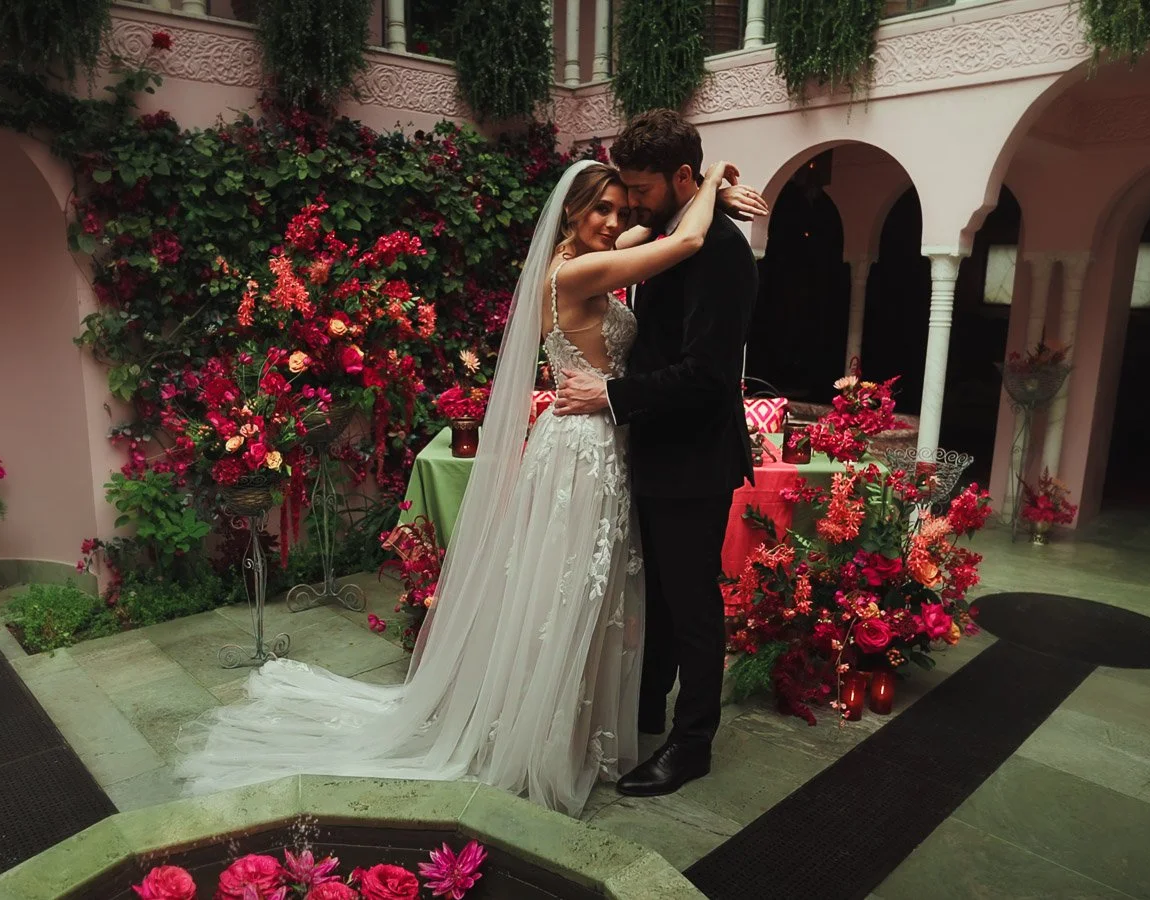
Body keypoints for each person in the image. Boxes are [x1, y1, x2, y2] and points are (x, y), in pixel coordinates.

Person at [174, 157, 763, 816]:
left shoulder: (589, 252)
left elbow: (647, 236)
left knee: (582, 594)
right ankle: (543, 734)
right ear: (569, 213)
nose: (616, 221)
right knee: (567, 590)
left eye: (622, 210)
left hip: (600, 444)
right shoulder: (574, 272)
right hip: (582, 448)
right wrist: (710, 185)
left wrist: (698, 197)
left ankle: (571, 721)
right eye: (602, 208)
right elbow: (680, 243)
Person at [553, 108, 763, 797]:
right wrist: (712, 185)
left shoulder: (720, 250)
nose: (628, 205)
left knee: (691, 604)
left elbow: (706, 376)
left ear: (678, 177)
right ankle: (646, 716)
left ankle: (693, 742)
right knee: (661, 603)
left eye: (639, 190)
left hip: (693, 457)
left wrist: (613, 397)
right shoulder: (673, 228)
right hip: (651, 449)